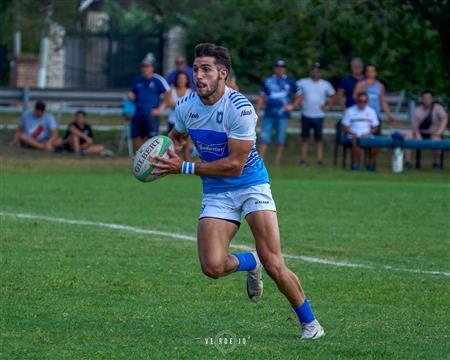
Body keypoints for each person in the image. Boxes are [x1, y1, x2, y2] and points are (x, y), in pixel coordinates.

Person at [151, 43, 324, 340]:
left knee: (274, 262)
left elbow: (234, 165)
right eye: (195, 69)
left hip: (251, 186)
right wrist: (162, 153)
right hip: (217, 192)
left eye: (206, 69)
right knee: (212, 266)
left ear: (223, 73)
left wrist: (183, 167)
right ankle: (249, 261)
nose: (198, 75)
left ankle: (311, 324)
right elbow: (177, 137)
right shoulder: (186, 106)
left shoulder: (240, 108)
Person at [255, 60, 300, 165]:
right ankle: (261, 160)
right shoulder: (268, 81)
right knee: (264, 137)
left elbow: (300, 95)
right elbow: (262, 96)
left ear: (285, 69)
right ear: (275, 69)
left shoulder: (290, 82)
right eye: (278, 67)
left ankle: (277, 161)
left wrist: (292, 106)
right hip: (269, 113)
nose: (280, 69)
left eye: (282, 67)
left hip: (283, 115)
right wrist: (257, 110)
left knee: (280, 138)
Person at [128, 55, 171, 151]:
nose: (144, 69)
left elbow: (168, 94)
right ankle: (137, 158)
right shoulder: (137, 80)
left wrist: (160, 109)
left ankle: (149, 161)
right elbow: (133, 93)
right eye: (143, 66)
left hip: (150, 114)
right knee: (135, 137)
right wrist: (131, 96)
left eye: (147, 66)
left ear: (152, 68)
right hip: (138, 113)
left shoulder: (158, 79)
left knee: (151, 140)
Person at [297, 62, 336, 165]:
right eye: (314, 70)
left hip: (319, 115)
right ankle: (303, 159)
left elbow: (332, 95)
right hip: (306, 114)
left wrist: (328, 106)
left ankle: (319, 159)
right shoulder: (303, 82)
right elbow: (294, 91)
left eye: (317, 70)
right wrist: (297, 102)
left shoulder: (325, 84)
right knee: (304, 138)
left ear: (320, 72)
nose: (315, 72)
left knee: (318, 139)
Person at [404, 91, 448, 169]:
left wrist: (439, 132)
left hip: (434, 133)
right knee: (408, 137)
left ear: (432, 99)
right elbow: (415, 126)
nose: (426, 100)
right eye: (424, 98)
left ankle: (436, 163)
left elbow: (444, 119)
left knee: (437, 141)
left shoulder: (438, 108)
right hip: (421, 133)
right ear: (422, 99)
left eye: (428, 98)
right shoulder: (417, 110)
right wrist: (418, 135)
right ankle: (408, 162)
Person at [341, 92, 379, 171]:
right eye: (360, 101)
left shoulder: (371, 111)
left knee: (375, 143)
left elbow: (375, 127)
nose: (362, 103)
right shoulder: (349, 111)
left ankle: (371, 164)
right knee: (355, 141)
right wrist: (352, 133)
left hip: (367, 135)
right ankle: (356, 164)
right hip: (353, 135)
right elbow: (344, 127)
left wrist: (368, 133)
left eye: (364, 101)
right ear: (357, 101)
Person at [353, 64, 396, 129]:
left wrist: (389, 115)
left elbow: (383, 102)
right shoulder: (360, 84)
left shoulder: (380, 86)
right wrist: (364, 87)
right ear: (365, 73)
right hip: (363, 117)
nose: (370, 73)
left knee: (376, 136)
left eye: (372, 71)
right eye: (368, 71)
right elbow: (354, 97)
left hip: (375, 116)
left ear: (375, 73)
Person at [166, 71, 192, 160]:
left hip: (185, 122)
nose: (181, 80)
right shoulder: (171, 90)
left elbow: (191, 107)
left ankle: (186, 163)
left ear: (186, 80)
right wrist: (184, 105)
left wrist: (176, 104)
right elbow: (169, 104)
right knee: (171, 144)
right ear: (176, 80)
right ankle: (170, 163)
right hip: (172, 120)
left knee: (186, 144)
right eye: (179, 78)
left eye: (183, 79)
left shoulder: (190, 92)